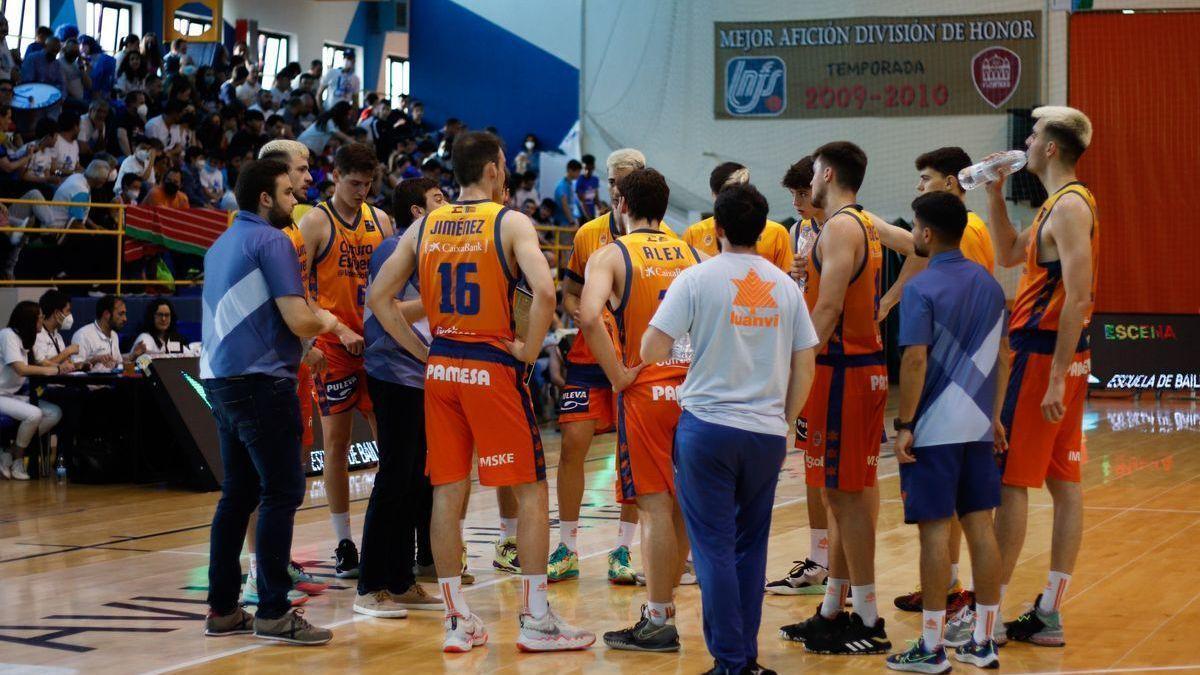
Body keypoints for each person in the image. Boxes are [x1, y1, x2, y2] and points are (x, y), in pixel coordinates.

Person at [367, 130, 594, 653]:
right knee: (531, 489)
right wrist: (529, 349)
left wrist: (423, 354)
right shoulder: (509, 221)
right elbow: (543, 290)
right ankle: (536, 620)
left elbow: (380, 298)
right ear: (493, 169)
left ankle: (456, 620)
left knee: (448, 491)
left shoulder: (425, 224)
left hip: (442, 367)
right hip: (491, 363)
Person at [643, 182, 818, 674]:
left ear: (716, 228)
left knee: (713, 548)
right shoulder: (785, 285)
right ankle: (747, 659)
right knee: (750, 547)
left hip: (708, 429)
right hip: (765, 434)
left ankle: (731, 662)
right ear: (762, 229)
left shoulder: (698, 278)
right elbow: (805, 363)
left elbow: (650, 350)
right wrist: (783, 420)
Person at [200, 158, 339, 645]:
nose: (295, 199)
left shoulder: (221, 244)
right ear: (265, 198)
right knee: (281, 492)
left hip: (219, 380)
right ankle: (275, 611)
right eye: (286, 192)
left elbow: (256, 314)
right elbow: (299, 318)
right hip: (261, 383)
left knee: (237, 494)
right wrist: (331, 322)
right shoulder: (272, 239)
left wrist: (306, 339)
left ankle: (222, 609)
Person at [986, 106, 1097, 648]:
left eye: (1032, 135)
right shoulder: (1055, 204)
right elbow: (1008, 252)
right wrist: (992, 193)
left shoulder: (1071, 207)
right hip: (1060, 355)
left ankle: (990, 615)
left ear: (1051, 148)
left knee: (1012, 481)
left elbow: (1080, 296)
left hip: (1044, 355)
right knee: (1063, 481)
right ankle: (1047, 612)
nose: (1025, 142)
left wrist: (1055, 376)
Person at [884, 191, 1007, 672]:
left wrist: (905, 424)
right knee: (980, 526)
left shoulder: (920, 286)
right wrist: (994, 416)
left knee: (936, 532)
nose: (913, 234)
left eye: (914, 227)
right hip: (977, 423)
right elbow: (1004, 356)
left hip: (933, 426)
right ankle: (983, 640)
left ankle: (932, 648)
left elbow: (915, 359)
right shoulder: (990, 284)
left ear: (927, 233)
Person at [578, 168, 699, 652]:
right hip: (694, 390)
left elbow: (587, 316)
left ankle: (658, 618)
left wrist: (617, 374)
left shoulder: (612, 253)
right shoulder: (693, 253)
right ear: (665, 207)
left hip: (646, 390)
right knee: (685, 506)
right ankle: (664, 609)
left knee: (652, 508)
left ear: (620, 203)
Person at [779, 141, 891, 655]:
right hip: (852, 368)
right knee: (840, 496)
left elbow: (825, 313)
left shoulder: (843, 227)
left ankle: (866, 617)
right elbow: (922, 246)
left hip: (844, 369)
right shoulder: (861, 224)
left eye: (813, 173)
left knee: (846, 499)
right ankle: (833, 608)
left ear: (826, 172)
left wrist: (790, 379)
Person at [551, 149, 667, 584]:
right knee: (571, 449)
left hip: (634, 362)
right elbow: (568, 293)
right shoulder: (588, 235)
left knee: (632, 459)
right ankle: (567, 546)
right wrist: (586, 313)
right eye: (612, 181)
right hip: (587, 357)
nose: (617, 188)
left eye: (626, 180)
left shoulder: (660, 238)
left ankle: (622, 550)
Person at [353, 177, 448, 618]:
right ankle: (369, 585)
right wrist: (437, 301)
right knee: (393, 477)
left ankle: (400, 579)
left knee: (415, 479)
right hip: (394, 371)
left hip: (420, 374)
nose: (446, 204)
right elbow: (384, 309)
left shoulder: (429, 249)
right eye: (437, 199)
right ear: (416, 211)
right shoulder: (395, 248)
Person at [297, 142, 391, 575]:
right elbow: (298, 292)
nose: (362, 191)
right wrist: (331, 329)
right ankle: (343, 542)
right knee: (335, 443)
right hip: (335, 347)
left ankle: (386, 534)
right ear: (335, 176)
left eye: (368, 184)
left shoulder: (381, 221)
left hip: (376, 345)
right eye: (354, 183)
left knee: (390, 442)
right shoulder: (316, 222)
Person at [763, 155, 831, 598]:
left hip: (830, 355)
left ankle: (830, 568)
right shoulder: (795, 231)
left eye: (803, 193)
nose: (798, 201)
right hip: (804, 352)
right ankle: (819, 559)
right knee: (810, 463)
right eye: (793, 195)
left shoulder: (843, 227)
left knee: (829, 470)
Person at [0, 301, 69, 481]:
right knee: (34, 414)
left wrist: (69, 366)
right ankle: (18, 459)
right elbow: (21, 369)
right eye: (39, 319)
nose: (42, 321)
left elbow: (43, 362)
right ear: (29, 321)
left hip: (13, 395)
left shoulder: (28, 338)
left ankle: (10, 450)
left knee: (54, 412)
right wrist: (53, 370)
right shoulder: (7, 335)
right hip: (1, 394)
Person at [684, 162, 792, 271]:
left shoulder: (776, 233)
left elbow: (788, 277)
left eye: (736, 195)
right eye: (724, 196)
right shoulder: (694, 233)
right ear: (713, 194)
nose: (731, 202)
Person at [71, 295, 144, 370]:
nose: (125, 319)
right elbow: (74, 367)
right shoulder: (83, 335)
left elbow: (118, 365)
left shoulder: (114, 334)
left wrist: (133, 356)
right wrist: (95, 360)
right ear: (106, 314)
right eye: (121, 314)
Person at [79, 36, 115, 100]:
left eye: (84, 44)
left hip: (101, 95)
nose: (81, 47)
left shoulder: (105, 60)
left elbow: (108, 81)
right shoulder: (79, 60)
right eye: (80, 44)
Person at [554, 159, 582, 227]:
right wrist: (572, 222)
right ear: (570, 170)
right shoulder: (562, 186)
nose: (579, 174)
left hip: (570, 223)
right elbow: (565, 205)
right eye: (577, 171)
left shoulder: (570, 184)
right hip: (563, 224)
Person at [575, 154, 600, 221]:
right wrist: (588, 218)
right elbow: (581, 201)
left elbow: (596, 198)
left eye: (589, 169)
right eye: (585, 169)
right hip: (582, 217)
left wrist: (601, 210)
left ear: (593, 167)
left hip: (592, 215)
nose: (587, 171)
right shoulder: (579, 180)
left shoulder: (595, 180)